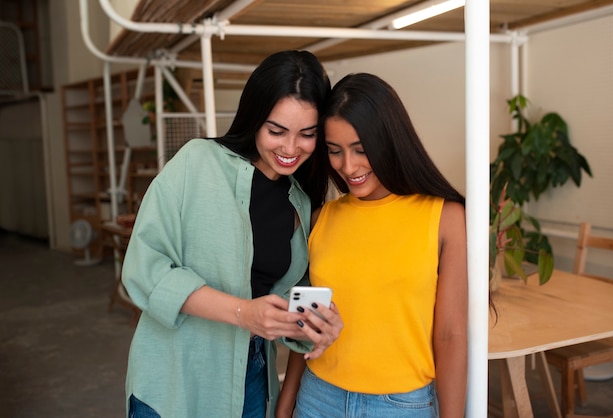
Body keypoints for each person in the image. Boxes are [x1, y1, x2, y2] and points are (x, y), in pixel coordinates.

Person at [121, 50, 343, 418]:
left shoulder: (300, 202)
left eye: (307, 135)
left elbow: (280, 295)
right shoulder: (196, 162)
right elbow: (145, 270)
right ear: (254, 118)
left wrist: (312, 323)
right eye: (276, 131)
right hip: (176, 375)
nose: (290, 148)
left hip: (252, 376)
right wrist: (243, 313)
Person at [277, 73, 468, 418]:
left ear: (390, 141)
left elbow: (451, 335)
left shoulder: (445, 217)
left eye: (361, 150)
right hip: (318, 399)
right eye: (334, 151)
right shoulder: (321, 219)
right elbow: (308, 324)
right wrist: (285, 404)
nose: (348, 167)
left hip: (401, 406)